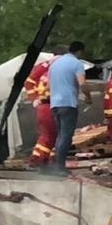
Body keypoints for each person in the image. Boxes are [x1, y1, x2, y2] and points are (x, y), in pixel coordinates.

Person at [48, 41, 87, 173]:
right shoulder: (77, 63)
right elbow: (82, 83)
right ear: (79, 51)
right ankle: (60, 167)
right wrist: (88, 97)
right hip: (68, 103)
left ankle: (57, 165)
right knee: (66, 136)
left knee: (60, 135)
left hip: (54, 104)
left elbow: (49, 85)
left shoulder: (54, 65)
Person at [24, 44, 67, 168]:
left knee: (46, 135)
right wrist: (34, 98)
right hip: (50, 105)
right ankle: (43, 160)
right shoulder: (56, 68)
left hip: (44, 106)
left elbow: (30, 82)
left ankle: (39, 158)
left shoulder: (46, 67)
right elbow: (29, 82)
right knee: (54, 134)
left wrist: (35, 99)